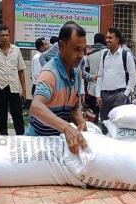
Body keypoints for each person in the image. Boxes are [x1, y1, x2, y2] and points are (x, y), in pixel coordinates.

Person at [27, 22, 87, 155]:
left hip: (57, 144)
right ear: (61, 45)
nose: (81, 55)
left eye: (83, 50)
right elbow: (36, 107)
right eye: (76, 49)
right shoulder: (50, 73)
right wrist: (66, 127)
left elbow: (74, 108)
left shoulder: (77, 73)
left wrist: (80, 121)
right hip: (38, 144)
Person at [95, 27, 136, 121]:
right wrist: (98, 94)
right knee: (104, 123)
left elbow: (133, 76)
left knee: (118, 123)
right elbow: (100, 75)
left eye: (110, 38)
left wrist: (125, 94)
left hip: (119, 95)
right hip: (104, 96)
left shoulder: (126, 55)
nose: (107, 40)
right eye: (106, 38)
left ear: (117, 40)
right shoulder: (104, 55)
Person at [85, 33, 108, 123]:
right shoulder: (107, 52)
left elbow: (86, 71)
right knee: (104, 113)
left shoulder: (89, 53)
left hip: (91, 88)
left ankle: (94, 130)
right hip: (104, 87)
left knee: (93, 113)